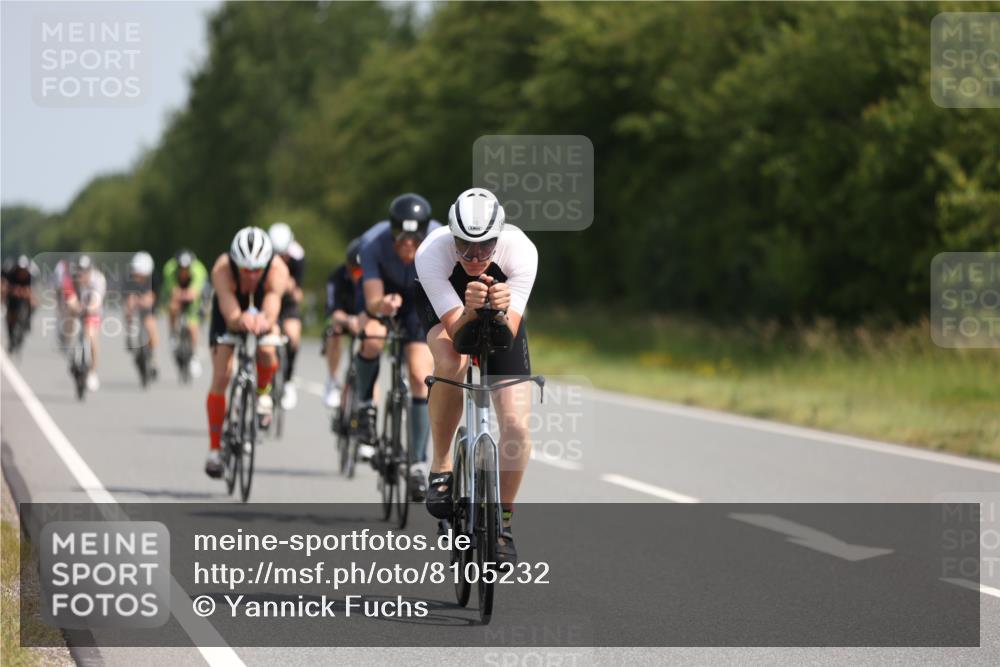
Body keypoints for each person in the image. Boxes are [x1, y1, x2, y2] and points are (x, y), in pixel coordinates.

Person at [414, 187, 538, 564]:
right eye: (464, 246)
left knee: (517, 427)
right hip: (449, 312)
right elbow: (458, 333)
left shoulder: (522, 251)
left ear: (498, 238)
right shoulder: (431, 253)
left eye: (485, 247)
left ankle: (502, 521)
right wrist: (469, 309)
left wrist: (499, 310)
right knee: (452, 362)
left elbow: (507, 333)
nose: (474, 257)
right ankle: (441, 464)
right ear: (451, 235)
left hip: (502, 322)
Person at [355, 193, 440, 499]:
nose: (408, 249)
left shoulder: (438, 242)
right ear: (392, 233)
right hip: (384, 298)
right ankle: (365, 405)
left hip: (420, 302)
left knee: (420, 375)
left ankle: (417, 462)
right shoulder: (373, 244)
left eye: (414, 242)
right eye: (402, 242)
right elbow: (372, 299)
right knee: (372, 338)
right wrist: (383, 304)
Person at [204, 227, 289, 479]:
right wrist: (239, 320)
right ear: (235, 262)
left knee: (266, 349)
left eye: (256, 270)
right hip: (228, 311)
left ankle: (263, 395)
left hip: (261, 311)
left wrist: (264, 321)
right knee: (222, 375)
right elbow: (230, 314)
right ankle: (215, 449)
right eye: (245, 270)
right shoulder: (222, 268)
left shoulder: (277, 270)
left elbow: (272, 306)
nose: (251, 275)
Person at [322, 238, 365, 408]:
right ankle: (332, 379)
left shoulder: (375, 276)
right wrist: (349, 320)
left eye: (362, 273)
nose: (358, 277)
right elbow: (334, 312)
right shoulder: (337, 277)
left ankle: (368, 404)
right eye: (354, 272)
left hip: (365, 319)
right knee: (334, 331)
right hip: (343, 318)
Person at [268, 222, 305, 410]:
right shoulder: (265, 256)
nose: (280, 258)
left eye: (283, 254)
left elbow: (299, 294)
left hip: (288, 301)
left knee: (293, 336)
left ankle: (288, 380)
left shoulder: (298, 257)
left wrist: (290, 287)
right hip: (268, 297)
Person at [160, 249, 209, 377]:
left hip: (194, 298)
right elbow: (173, 291)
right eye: (181, 268)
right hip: (178, 293)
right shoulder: (169, 269)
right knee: (172, 307)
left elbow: (194, 293)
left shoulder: (199, 270)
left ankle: (193, 356)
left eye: (186, 268)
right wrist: (178, 296)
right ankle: (173, 333)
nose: (183, 270)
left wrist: (189, 295)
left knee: (193, 327)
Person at [62, 255, 107, 391]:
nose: (81, 274)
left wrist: (89, 309)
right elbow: (70, 299)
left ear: (90, 271)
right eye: (79, 271)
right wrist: (76, 307)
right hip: (77, 305)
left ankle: (92, 372)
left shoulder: (98, 279)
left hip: (92, 309)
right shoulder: (70, 279)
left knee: (91, 334)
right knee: (69, 316)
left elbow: (96, 301)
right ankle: (68, 343)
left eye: (85, 271)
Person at [123, 251, 159, 379]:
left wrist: (146, 301)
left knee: (151, 327)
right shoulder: (129, 277)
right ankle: (130, 335)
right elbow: (127, 298)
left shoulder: (153, 278)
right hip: (135, 300)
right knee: (128, 309)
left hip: (148, 305)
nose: (138, 277)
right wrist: (131, 306)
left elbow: (153, 296)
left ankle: (152, 357)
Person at [2, 255, 37, 344]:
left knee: (33, 303)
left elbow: (31, 289)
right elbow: (5, 286)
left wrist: (24, 293)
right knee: (10, 316)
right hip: (13, 297)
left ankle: (28, 320)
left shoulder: (30, 275)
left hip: (24, 296)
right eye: (20, 269)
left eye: (24, 270)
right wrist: (12, 291)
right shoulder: (11, 273)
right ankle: (10, 337)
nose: (22, 272)